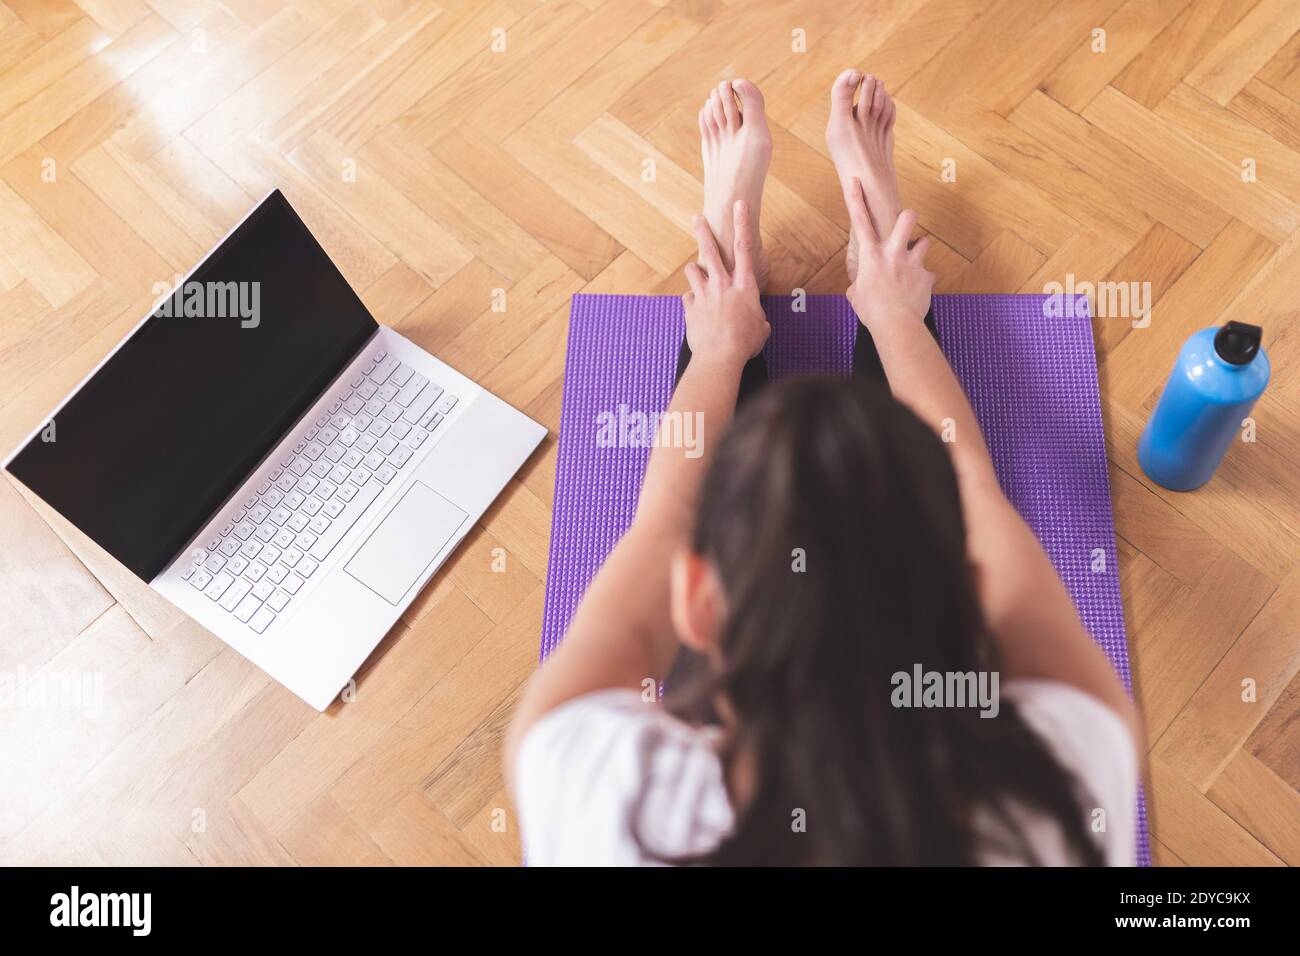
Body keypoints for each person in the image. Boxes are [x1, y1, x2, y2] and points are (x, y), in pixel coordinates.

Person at [505, 72, 1141, 865]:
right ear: (966, 590)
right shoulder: (1059, 789)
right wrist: (893, 317)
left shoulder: (599, 793)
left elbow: (666, 518)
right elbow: (971, 485)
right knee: (878, 471)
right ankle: (877, 255)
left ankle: (734, 256)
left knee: (768, 478)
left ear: (697, 603)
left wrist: (718, 349)